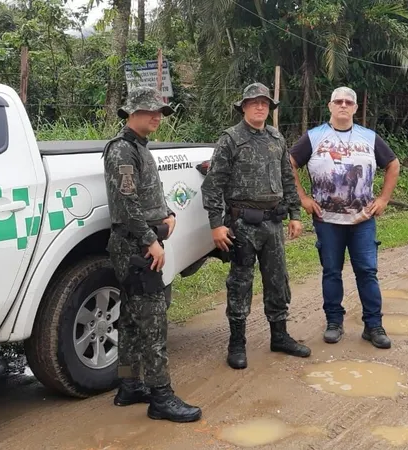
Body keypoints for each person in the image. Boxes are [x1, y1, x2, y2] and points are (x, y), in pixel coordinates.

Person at [102, 86, 202, 423]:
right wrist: (149, 240)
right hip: (136, 246)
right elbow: (126, 205)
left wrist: (169, 214)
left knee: (131, 319)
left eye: (160, 111)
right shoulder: (122, 151)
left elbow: (148, 195)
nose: (157, 116)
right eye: (150, 111)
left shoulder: (139, 148)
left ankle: (130, 384)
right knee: (153, 320)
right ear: (132, 113)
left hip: (141, 241)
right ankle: (161, 396)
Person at [201, 82, 311, 370]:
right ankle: (237, 343)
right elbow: (213, 186)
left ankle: (280, 335)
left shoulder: (276, 138)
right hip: (242, 225)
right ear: (244, 107)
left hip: (273, 224)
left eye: (265, 103)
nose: (260, 107)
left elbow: (288, 179)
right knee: (240, 284)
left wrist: (295, 215)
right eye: (254, 103)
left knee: (277, 281)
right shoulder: (231, 139)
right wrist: (216, 224)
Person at [288, 86, 400, 349]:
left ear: (355, 108)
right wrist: (303, 198)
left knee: (367, 272)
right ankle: (334, 323)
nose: (343, 105)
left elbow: (393, 164)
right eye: (338, 101)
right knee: (331, 272)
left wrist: (383, 199)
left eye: (348, 102)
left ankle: (374, 326)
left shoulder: (369, 137)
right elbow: (289, 162)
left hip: (362, 220)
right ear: (329, 106)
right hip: (327, 220)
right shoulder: (314, 137)